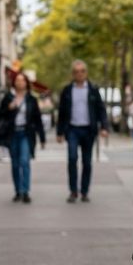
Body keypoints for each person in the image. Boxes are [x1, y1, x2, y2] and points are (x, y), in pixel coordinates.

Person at [56, 60, 108, 203]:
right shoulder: (67, 90)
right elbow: (61, 112)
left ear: (86, 73)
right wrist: (59, 132)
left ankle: (84, 191)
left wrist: (104, 127)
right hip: (72, 129)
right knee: (72, 159)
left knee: (87, 162)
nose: (79, 74)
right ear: (73, 74)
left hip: (88, 130)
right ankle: (73, 191)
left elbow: (101, 109)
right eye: (76, 72)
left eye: (82, 71)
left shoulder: (93, 89)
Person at [0, 73, 45, 203]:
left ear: (26, 83)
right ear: (14, 83)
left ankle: (25, 191)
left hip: (26, 133)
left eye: (22, 80)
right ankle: (18, 190)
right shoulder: (8, 97)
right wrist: (9, 107)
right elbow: (0, 113)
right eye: (17, 80)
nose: (19, 83)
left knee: (25, 161)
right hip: (12, 133)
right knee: (15, 163)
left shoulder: (31, 99)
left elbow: (37, 119)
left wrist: (42, 137)